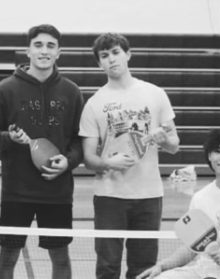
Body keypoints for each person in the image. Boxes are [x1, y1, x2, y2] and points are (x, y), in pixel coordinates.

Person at [78, 32, 180, 279]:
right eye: (104, 55)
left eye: (115, 52)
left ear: (128, 54)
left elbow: (174, 145)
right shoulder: (94, 104)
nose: (111, 59)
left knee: (143, 266)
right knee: (107, 266)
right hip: (109, 197)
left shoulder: (155, 94)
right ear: (99, 63)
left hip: (149, 195)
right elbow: (88, 158)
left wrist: (164, 139)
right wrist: (107, 163)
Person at [0, 24, 84, 279]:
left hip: (57, 191)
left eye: (50, 46)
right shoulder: (5, 89)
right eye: (38, 45)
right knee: (8, 256)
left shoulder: (72, 92)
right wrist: (10, 138)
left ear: (59, 52)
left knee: (60, 257)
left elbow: (78, 140)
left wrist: (69, 161)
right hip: (16, 192)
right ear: (28, 50)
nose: (44, 51)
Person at [137, 127, 220, 279]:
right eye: (218, 151)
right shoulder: (200, 198)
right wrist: (162, 266)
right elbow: (192, 247)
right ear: (209, 156)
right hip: (203, 272)